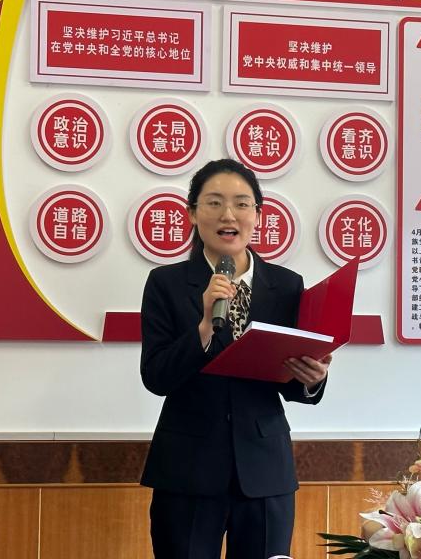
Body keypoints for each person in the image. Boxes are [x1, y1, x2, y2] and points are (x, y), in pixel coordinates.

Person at [139, 158, 331, 559]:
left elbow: (292, 384)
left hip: (265, 472)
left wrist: (312, 378)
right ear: (192, 213)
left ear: (257, 215)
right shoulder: (166, 283)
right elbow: (156, 377)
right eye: (214, 203)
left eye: (242, 204)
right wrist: (203, 327)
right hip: (187, 471)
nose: (228, 215)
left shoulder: (286, 286)